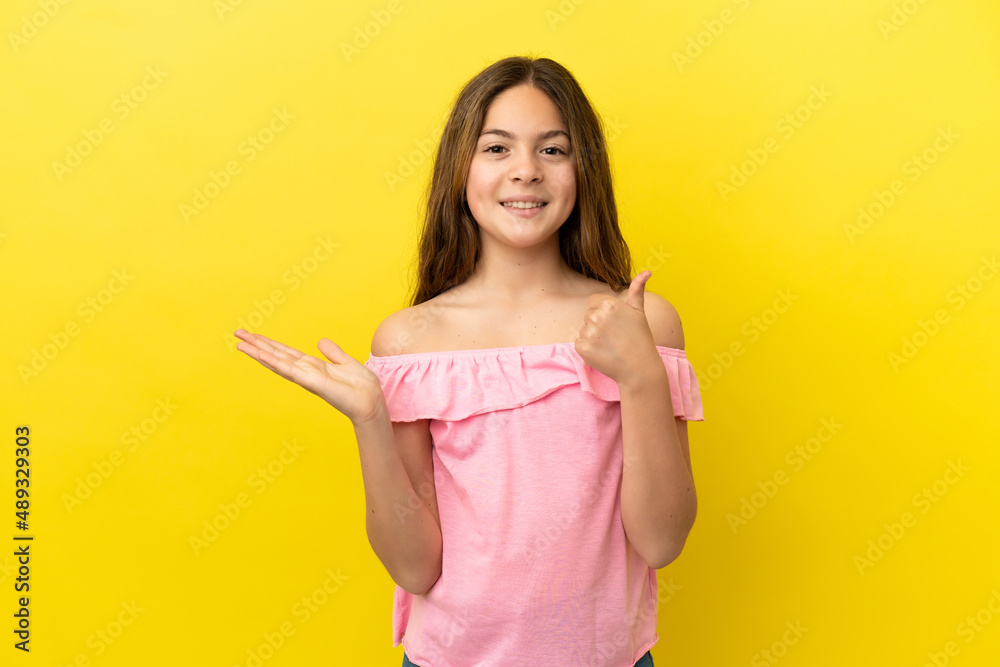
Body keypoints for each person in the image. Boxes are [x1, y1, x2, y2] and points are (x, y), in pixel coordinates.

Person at [234, 55, 704, 667]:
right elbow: (414, 568)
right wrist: (371, 421)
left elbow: (662, 541)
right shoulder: (410, 342)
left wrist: (640, 377)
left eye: (553, 150)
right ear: (461, 169)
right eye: (497, 148)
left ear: (583, 169)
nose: (526, 170)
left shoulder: (639, 323)